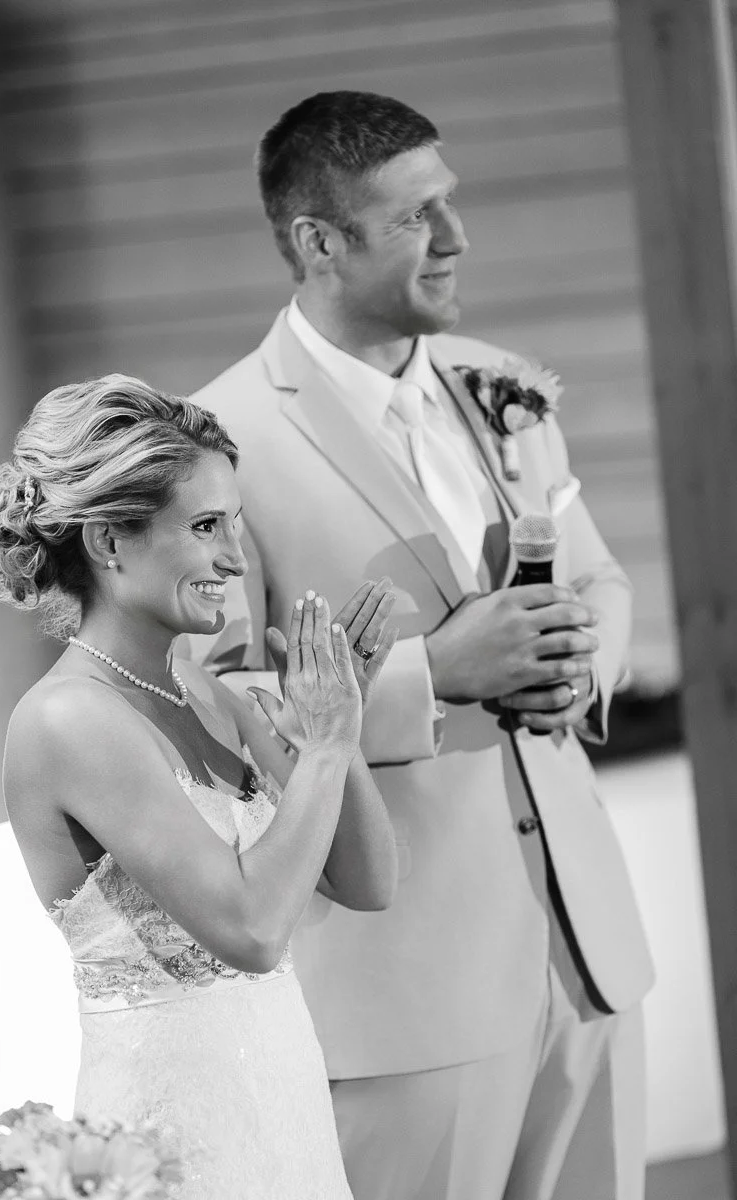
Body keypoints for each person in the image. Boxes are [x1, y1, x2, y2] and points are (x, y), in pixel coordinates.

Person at [186, 91, 656, 1200]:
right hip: (409, 998)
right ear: (318, 242)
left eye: (449, 203)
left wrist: (575, 668)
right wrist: (434, 674)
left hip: (585, 954)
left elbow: (601, 580)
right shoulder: (219, 442)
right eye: (414, 218)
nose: (456, 238)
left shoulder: (500, 383)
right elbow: (211, 703)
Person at [0, 374, 400, 1200]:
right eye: (206, 527)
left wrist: (340, 731)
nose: (235, 558)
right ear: (108, 541)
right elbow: (251, 931)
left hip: (283, 1108)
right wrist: (320, 749)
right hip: (175, 1136)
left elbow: (369, 881)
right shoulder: (67, 720)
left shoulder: (209, 694)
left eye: (235, 523)